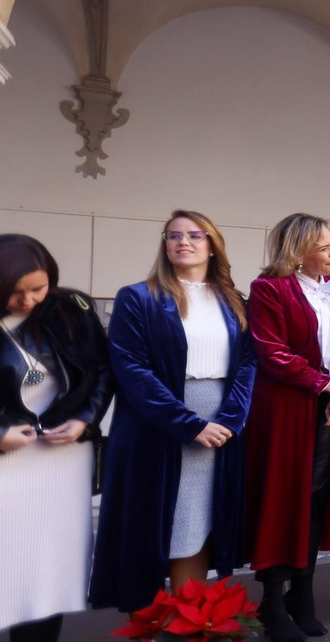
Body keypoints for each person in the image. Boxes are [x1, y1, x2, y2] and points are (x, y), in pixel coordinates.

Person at [0, 235, 113, 642]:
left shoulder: (71, 309)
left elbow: (101, 371)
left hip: (58, 463)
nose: (28, 301)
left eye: (38, 288)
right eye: (15, 293)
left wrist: (85, 419)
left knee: (47, 571)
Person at [92, 211, 256, 615]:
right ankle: (150, 641)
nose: (183, 241)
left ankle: (188, 635)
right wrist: (189, 425)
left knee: (196, 526)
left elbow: (249, 363)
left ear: (212, 244)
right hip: (155, 427)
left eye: (195, 235)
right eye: (174, 235)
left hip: (218, 426)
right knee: (150, 529)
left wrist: (229, 420)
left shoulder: (234, 301)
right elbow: (131, 369)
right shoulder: (139, 297)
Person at [243, 214, 330, 642]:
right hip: (284, 408)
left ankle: (303, 594)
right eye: (326, 246)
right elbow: (272, 353)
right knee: (282, 499)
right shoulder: (268, 289)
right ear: (298, 251)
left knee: (315, 498)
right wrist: (328, 385)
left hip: (329, 406)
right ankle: (272, 600)